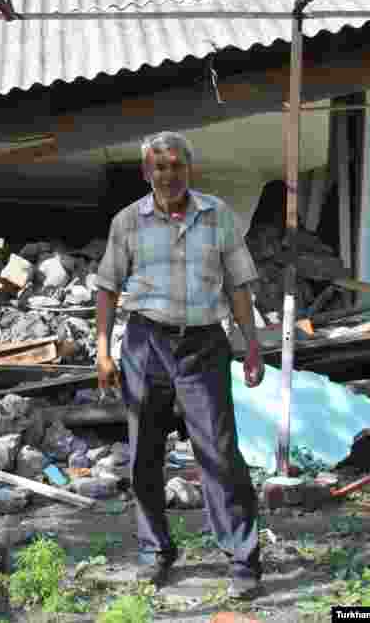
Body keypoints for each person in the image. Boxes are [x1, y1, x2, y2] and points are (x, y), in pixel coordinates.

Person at [95, 130, 266, 600]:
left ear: (189, 169)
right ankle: (155, 551)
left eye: (176, 165)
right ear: (147, 172)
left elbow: (238, 286)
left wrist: (251, 343)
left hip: (204, 346)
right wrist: (103, 348)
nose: (169, 175)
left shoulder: (217, 216)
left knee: (219, 453)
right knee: (144, 453)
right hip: (146, 342)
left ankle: (242, 559)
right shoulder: (128, 222)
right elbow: (107, 287)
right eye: (160, 167)